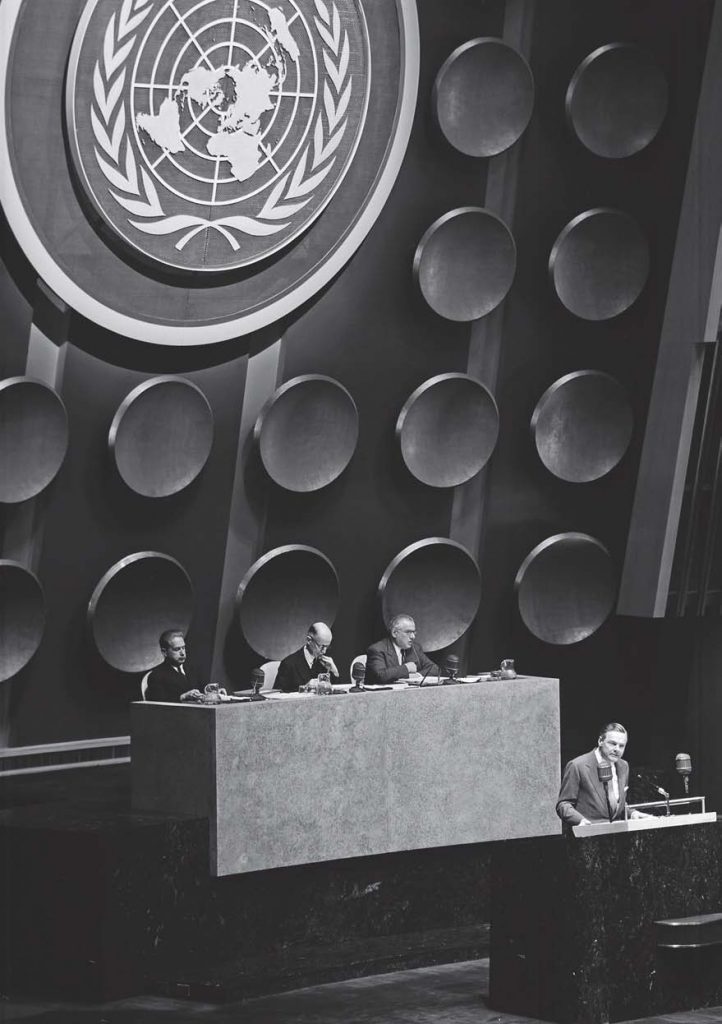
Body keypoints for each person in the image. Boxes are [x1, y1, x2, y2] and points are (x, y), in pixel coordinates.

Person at [556, 722, 651, 826]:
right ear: (600, 741)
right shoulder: (577, 766)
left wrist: (633, 814)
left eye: (621, 746)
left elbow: (615, 807)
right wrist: (580, 820)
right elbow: (563, 804)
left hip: (616, 836)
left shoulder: (623, 766)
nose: (617, 749)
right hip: (588, 837)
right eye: (612, 743)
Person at [365, 613, 438, 686]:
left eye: (414, 632)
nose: (413, 636)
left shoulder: (415, 648)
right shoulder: (377, 649)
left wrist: (417, 675)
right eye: (408, 632)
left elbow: (434, 668)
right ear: (394, 633)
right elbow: (381, 675)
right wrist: (406, 668)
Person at [276, 622, 339, 693]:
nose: (324, 651)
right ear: (309, 640)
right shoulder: (288, 664)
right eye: (321, 647)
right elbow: (278, 694)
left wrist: (335, 672)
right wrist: (305, 688)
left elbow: (335, 694)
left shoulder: (326, 663)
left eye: (327, 647)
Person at [145, 629, 203, 703]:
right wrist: (182, 697)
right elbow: (159, 704)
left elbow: (201, 691)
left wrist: (213, 693)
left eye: (183, 648)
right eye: (177, 649)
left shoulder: (191, 669)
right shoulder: (156, 675)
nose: (182, 653)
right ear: (164, 652)